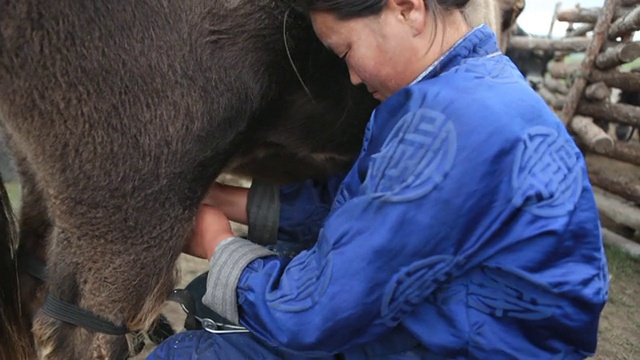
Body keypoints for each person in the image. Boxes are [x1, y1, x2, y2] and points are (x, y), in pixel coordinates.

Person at [148, 0, 609, 358]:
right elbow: (363, 210)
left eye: (346, 51)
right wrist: (225, 200)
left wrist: (219, 247)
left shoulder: (455, 122)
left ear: (407, 8)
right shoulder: (469, 88)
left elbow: (313, 313)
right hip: (465, 322)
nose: (350, 76)